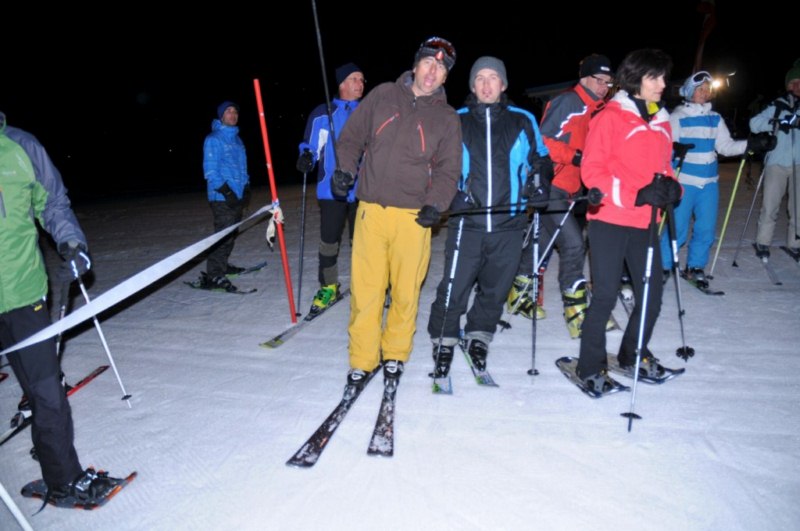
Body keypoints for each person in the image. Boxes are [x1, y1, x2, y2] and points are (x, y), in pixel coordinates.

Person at [0, 112, 125, 505]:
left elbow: (52, 201)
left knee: (47, 392)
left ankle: (62, 479)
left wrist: (71, 242)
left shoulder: (21, 146)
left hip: (22, 292)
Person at [333, 37, 462, 389]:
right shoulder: (383, 95)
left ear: (445, 77)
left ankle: (395, 354)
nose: (432, 71)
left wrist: (436, 204)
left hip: (414, 218)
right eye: (428, 63)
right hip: (371, 212)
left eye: (441, 68)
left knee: (406, 294)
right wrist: (345, 169)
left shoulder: (447, 118)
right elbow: (351, 138)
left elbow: (449, 170)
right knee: (367, 292)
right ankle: (362, 359)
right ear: (416, 65)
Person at [426, 57, 551, 377]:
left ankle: (479, 334)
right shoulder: (456, 119)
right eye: (479, 78)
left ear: (503, 84)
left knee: (496, 287)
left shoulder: (522, 119)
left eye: (492, 77)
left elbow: (540, 159)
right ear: (472, 85)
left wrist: (539, 185)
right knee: (455, 285)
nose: (486, 84)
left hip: (510, 221)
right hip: (467, 221)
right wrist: (451, 194)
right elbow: (437, 165)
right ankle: (444, 337)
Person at [575, 49, 682, 394]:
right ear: (636, 79)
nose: (662, 84)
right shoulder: (610, 117)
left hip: (645, 221)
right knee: (605, 295)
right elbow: (592, 172)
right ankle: (589, 366)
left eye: (664, 77)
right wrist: (637, 194)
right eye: (655, 77)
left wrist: (672, 188)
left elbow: (665, 169)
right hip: (609, 218)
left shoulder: (662, 119)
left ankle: (632, 352)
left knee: (652, 295)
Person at [507, 54, 613, 339]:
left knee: (543, 242)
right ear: (584, 78)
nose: (603, 86)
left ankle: (519, 296)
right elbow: (542, 140)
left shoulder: (599, 109)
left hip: (573, 188)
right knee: (574, 244)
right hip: (552, 183)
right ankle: (576, 311)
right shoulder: (568, 102)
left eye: (607, 82)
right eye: (599, 80)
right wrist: (576, 156)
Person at [659, 71, 774, 286]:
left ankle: (695, 266)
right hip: (685, 182)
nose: (704, 93)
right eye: (699, 89)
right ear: (689, 92)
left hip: (709, 183)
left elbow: (725, 147)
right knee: (678, 228)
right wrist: (676, 150)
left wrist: (751, 144)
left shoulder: (715, 118)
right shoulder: (678, 117)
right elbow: (665, 148)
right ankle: (663, 264)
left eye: (707, 89)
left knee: (706, 228)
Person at [296, 63, 366, 317]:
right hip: (331, 190)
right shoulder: (323, 113)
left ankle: (368, 284)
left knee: (365, 243)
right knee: (329, 242)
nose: (360, 84)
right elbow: (311, 145)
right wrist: (306, 156)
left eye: (362, 79)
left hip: (364, 190)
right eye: (354, 79)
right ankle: (328, 286)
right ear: (342, 83)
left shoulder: (368, 112)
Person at [751, 59, 800, 261]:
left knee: (798, 208)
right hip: (776, 163)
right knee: (770, 205)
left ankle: (795, 243)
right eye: (795, 82)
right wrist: (778, 123)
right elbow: (754, 124)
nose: (798, 86)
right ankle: (763, 241)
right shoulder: (777, 105)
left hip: (798, 163)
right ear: (788, 85)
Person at [199, 101, 250, 292]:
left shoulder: (237, 140)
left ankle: (222, 266)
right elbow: (211, 172)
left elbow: (242, 168)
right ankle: (214, 275)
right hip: (221, 197)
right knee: (222, 236)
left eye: (235, 111)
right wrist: (227, 192)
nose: (233, 114)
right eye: (228, 111)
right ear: (221, 116)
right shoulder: (214, 139)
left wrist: (246, 188)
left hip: (237, 195)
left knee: (230, 235)